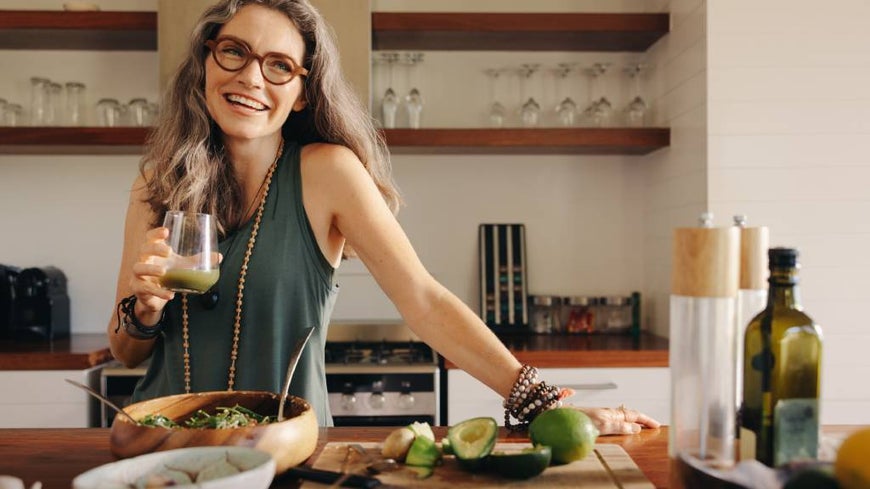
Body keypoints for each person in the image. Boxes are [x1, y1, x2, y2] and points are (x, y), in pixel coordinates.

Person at [107, 0, 660, 434]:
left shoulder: (328, 173)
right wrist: (145, 310)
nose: (253, 78)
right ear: (207, 60)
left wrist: (541, 404)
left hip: (286, 450)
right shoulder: (156, 182)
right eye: (235, 52)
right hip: (161, 444)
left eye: (279, 66)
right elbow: (125, 351)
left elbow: (423, 300)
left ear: (302, 93)